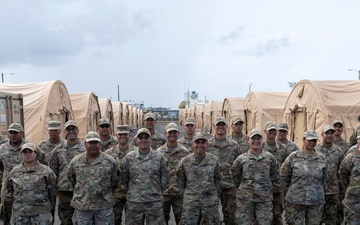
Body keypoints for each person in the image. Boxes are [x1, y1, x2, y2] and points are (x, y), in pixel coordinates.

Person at [68, 131, 120, 225]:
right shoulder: (76, 162)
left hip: (103, 205)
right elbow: (72, 179)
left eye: (95, 142)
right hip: (83, 205)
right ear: (85, 144)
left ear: (100, 144)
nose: (93, 145)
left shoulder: (110, 161)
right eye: (90, 142)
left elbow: (115, 181)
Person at [0, 123, 47, 225]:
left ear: (22, 133)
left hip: (29, 190)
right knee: (7, 218)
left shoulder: (31, 147)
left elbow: (43, 163)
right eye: (11, 132)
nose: (13, 135)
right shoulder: (2, 149)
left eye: (16, 133)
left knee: (27, 218)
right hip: (8, 191)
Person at [120, 128, 169, 224]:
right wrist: (133, 192)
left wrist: (156, 190)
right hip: (134, 202)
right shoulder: (129, 158)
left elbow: (165, 176)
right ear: (136, 140)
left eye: (146, 138)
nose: (143, 140)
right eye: (140, 138)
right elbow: (124, 178)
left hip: (154, 201)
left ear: (151, 140)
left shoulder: (159, 157)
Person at [232, 129, 281, 225]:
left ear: (262, 140)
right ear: (248, 141)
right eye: (253, 138)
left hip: (264, 199)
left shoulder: (269, 158)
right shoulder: (241, 159)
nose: (256, 141)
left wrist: (265, 187)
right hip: (245, 199)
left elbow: (274, 175)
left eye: (258, 138)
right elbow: (235, 176)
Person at [280, 130, 327, 225]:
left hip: (315, 200)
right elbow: (284, 176)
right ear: (303, 140)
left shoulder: (321, 158)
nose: (312, 143)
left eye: (314, 140)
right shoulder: (293, 157)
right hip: (295, 200)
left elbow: (324, 178)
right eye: (309, 140)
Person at [3, 143, 57, 225]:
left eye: (30, 152)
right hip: (20, 215)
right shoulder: (14, 172)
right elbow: (9, 192)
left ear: (35, 153)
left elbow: (52, 193)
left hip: (41, 215)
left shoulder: (46, 171)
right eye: (25, 152)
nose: (27, 154)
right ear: (21, 154)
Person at [177, 132, 221, 225]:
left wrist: (214, 197)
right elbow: (180, 182)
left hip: (209, 203)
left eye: (203, 142)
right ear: (193, 144)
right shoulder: (185, 161)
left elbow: (217, 180)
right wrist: (188, 197)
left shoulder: (213, 160)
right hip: (191, 204)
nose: (200, 145)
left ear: (207, 144)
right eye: (197, 142)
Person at [49, 120, 86, 225]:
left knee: (82, 218)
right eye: (68, 129)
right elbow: (53, 170)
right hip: (64, 190)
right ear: (64, 132)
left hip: (81, 190)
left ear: (78, 131)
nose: (71, 131)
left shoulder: (85, 148)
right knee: (65, 219)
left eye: (73, 129)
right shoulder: (58, 149)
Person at [207, 116, 240, 225]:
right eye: (218, 125)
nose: (220, 127)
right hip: (211, 186)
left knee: (231, 216)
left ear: (226, 127)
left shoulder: (234, 145)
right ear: (214, 127)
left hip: (229, 186)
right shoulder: (207, 144)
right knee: (211, 216)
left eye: (223, 125)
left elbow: (239, 166)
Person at [157, 122, 190, 224]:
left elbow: (188, 173)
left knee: (182, 220)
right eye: (170, 132)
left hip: (179, 194)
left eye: (174, 132)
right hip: (163, 193)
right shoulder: (158, 152)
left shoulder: (185, 152)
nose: (172, 134)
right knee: (162, 221)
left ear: (178, 133)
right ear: (165, 133)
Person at [105, 125, 137, 225]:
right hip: (115, 194)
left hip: (132, 194)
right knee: (114, 221)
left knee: (132, 222)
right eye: (120, 134)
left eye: (125, 134)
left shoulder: (137, 152)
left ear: (129, 135)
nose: (123, 136)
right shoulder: (108, 154)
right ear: (116, 135)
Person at [315, 125, 344, 225]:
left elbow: (342, 171)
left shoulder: (339, 151)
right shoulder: (315, 150)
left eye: (331, 133)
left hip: (332, 191)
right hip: (317, 190)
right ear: (322, 134)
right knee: (316, 218)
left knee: (331, 219)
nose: (329, 135)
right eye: (327, 133)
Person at [262, 121, 287, 225]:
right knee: (263, 217)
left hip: (277, 188)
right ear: (265, 132)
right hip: (262, 188)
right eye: (269, 131)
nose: (272, 133)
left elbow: (286, 167)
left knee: (277, 216)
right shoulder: (260, 146)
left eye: (274, 130)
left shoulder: (282, 148)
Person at [339, 130, 360, 225]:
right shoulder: (350, 157)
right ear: (357, 140)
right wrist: (351, 187)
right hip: (353, 200)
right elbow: (343, 174)